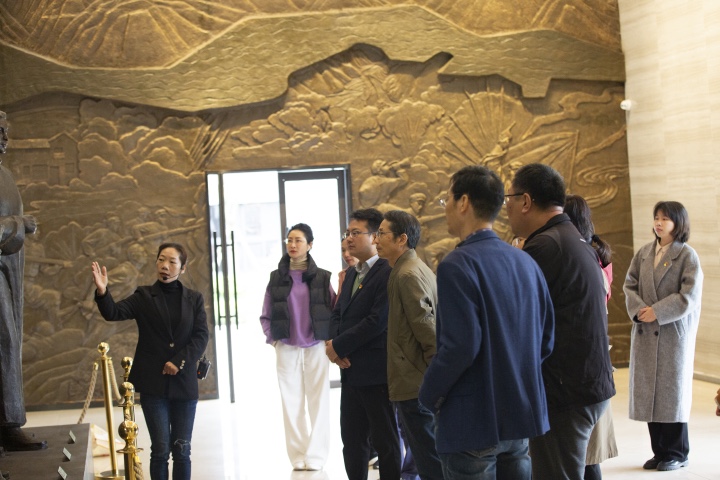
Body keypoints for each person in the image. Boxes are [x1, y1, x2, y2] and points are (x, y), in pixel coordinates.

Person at [419, 165, 555, 480]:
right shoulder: (525, 261)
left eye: (447, 200)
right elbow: (546, 339)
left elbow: (460, 346)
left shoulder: (457, 264)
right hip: (520, 413)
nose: (445, 208)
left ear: (464, 202)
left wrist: (428, 394)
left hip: (472, 420)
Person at [505, 163, 615, 480]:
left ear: (526, 201)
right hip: (585, 384)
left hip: (565, 390)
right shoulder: (571, 238)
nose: (506, 207)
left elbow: (517, 320)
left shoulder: (545, 246)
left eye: (509, 199)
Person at [92, 243, 209, 480]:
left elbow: (201, 336)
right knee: (160, 450)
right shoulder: (144, 296)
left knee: (182, 451)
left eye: (172, 262)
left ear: (183, 268)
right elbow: (113, 312)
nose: (165, 265)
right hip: (154, 386)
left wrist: (179, 361)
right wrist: (103, 292)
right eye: (161, 259)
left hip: (184, 385)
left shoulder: (194, 299)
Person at [623, 201, 703, 472]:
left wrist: (656, 312)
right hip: (646, 332)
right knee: (650, 392)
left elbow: (688, 296)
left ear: (678, 223)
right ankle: (659, 451)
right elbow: (629, 285)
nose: (659, 223)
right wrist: (639, 311)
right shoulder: (644, 253)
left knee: (672, 394)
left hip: (672, 334)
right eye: (656, 217)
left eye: (665, 219)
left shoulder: (687, 256)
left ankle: (677, 452)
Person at [325, 208, 401, 480]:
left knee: (385, 442)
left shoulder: (387, 271)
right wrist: (334, 346)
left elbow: (376, 320)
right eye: (347, 233)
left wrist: (339, 346)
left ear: (374, 236)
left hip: (375, 372)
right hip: (349, 372)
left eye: (356, 233)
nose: (348, 239)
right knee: (352, 441)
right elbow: (337, 313)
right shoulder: (351, 273)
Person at [373, 210, 444, 480]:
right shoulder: (408, 268)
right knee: (427, 456)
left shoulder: (407, 274)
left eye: (382, 234)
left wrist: (434, 379)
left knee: (429, 459)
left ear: (401, 239)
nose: (376, 239)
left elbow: (428, 330)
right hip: (415, 379)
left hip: (415, 382)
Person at [259, 223, 335, 471]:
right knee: (291, 403)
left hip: (316, 345)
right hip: (286, 346)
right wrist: (273, 339)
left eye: (298, 240)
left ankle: (317, 455)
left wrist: (330, 339)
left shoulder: (322, 277)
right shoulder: (276, 277)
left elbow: (333, 309)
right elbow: (266, 313)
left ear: (310, 245)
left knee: (318, 401)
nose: (292, 245)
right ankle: (298, 455)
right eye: (289, 240)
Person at [0, 111, 47, 452]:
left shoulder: (5, 174)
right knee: (4, 337)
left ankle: (8, 423)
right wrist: (20, 224)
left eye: (6, 131)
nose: (5, 138)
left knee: (8, 340)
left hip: (6, 268)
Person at [564, 194, 619, 480]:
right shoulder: (593, 254)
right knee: (587, 455)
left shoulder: (583, 258)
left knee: (586, 456)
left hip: (587, 364)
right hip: (594, 363)